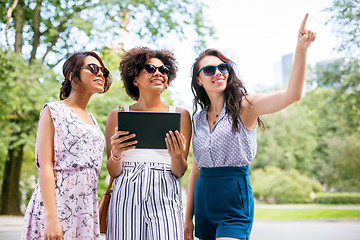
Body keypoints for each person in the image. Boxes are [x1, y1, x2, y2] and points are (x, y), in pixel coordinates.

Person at [184, 14, 316, 240]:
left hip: (234, 200)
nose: (217, 73)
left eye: (222, 67)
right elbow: (195, 170)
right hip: (204, 203)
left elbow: (292, 95)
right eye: (208, 70)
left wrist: (301, 49)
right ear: (198, 80)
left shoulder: (246, 106)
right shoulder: (197, 119)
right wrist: (188, 218)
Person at [22, 51, 112, 239]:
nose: (100, 74)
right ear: (72, 76)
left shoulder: (92, 119)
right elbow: (45, 165)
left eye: (103, 70)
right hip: (57, 205)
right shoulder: (53, 110)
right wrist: (51, 218)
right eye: (93, 68)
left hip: (86, 210)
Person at [106, 47, 192, 239]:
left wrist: (177, 155)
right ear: (134, 78)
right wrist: (116, 154)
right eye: (150, 69)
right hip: (126, 190)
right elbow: (113, 171)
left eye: (164, 70)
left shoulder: (180, 115)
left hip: (165, 190)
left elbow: (179, 171)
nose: (159, 73)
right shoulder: (117, 115)